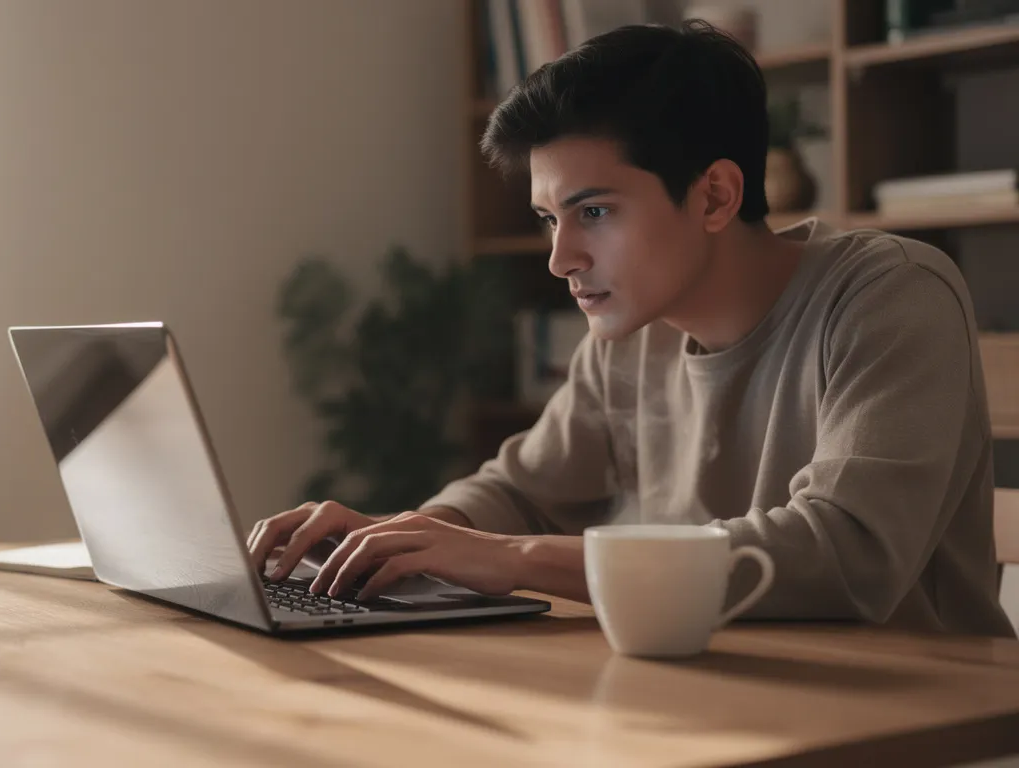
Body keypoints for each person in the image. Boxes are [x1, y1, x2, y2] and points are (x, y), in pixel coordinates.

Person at [247, 21, 1014, 637]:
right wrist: (400, 540)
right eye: (550, 219)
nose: (560, 258)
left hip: (918, 719)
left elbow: (850, 552)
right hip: (714, 702)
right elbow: (519, 490)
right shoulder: (632, 329)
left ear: (714, 194)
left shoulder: (889, 294)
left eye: (596, 212)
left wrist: (509, 557)